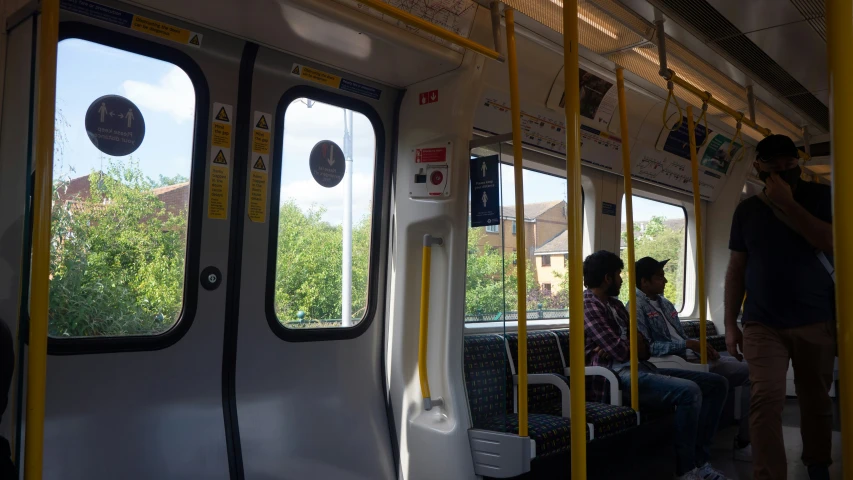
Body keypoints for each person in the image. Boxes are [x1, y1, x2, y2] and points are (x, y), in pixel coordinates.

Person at [724, 134, 835, 480]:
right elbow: (736, 269)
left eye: (790, 166)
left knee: (815, 399)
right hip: (762, 321)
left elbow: (829, 241)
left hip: (815, 317)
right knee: (766, 399)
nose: (783, 172)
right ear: (758, 167)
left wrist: (788, 204)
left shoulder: (821, 197)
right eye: (774, 167)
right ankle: (769, 474)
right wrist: (730, 324)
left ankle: (818, 465)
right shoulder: (746, 212)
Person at [583, 250, 730, 480]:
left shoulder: (615, 305)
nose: (622, 280)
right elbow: (621, 350)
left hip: (638, 367)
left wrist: (628, 343)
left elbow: (643, 347)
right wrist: (629, 343)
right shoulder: (589, 305)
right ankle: (686, 470)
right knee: (689, 391)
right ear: (607, 278)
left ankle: (701, 462)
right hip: (614, 376)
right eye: (619, 274)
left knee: (717, 384)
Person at [629, 256, 752, 461]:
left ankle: (742, 437)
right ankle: (740, 442)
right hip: (672, 363)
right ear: (644, 282)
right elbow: (647, 348)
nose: (666, 281)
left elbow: (681, 337)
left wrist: (700, 347)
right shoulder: (635, 307)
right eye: (660, 277)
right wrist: (687, 345)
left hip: (691, 357)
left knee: (751, 368)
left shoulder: (666, 304)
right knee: (747, 373)